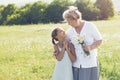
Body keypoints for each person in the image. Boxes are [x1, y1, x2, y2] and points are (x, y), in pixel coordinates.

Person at [62, 6, 102, 80]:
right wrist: (57, 49)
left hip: (90, 62)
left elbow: (99, 40)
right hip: (76, 64)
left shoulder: (89, 26)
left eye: (69, 21)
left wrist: (90, 47)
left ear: (75, 19)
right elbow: (63, 42)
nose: (68, 24)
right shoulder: (70, 31)